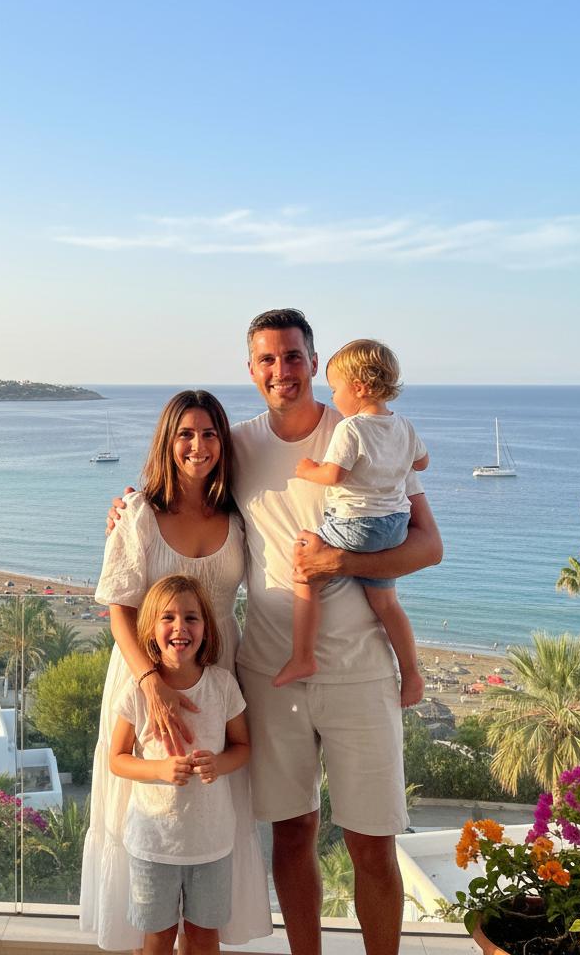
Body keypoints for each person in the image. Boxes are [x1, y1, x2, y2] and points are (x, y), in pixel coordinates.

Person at [107, 310, 443, 955]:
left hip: (360, 670)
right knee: (292, 832)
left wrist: (338, 562)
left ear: (314, 362)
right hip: (266, 673)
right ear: (251, 369)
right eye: (267, 359)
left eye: (292, 357)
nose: (281, 371)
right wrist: (126, 508)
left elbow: (429, 546)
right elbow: (183, 484)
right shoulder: (238, 445)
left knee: (373, 843)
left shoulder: (365, 432)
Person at [79, 390, 272, 953]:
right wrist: (150, 685)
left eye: (209, 434)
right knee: (146, 811)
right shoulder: (139, 513)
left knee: (211, 804)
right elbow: (119, 609)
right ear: (167, 441)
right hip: (144, 674)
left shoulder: (238, 515)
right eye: (185, 434)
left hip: (219, 677)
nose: (197, 445)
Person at [272, 338, 429, 705]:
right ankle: (411, 674)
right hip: (394, 526)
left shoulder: (351, 428)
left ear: (358, 387)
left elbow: (334, 475)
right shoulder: (404, 426)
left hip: (357, 525)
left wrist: (308, 469)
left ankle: (303, 656)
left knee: (305, 562)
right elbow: (422, 463)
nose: (333, 397)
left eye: (335, 389)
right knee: (387, 605)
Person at [109, 574, 252, 955]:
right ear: (150, 628)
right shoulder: (138, 692)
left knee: (204, 937)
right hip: (153, 845)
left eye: (191, 617)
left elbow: (243, 747)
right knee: (157, 938)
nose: (180, 627)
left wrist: (218, 764)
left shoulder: (222, 686)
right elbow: (117, 759)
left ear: (206, 627)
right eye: (168, 617)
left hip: (211, 843)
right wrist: (158, 770)